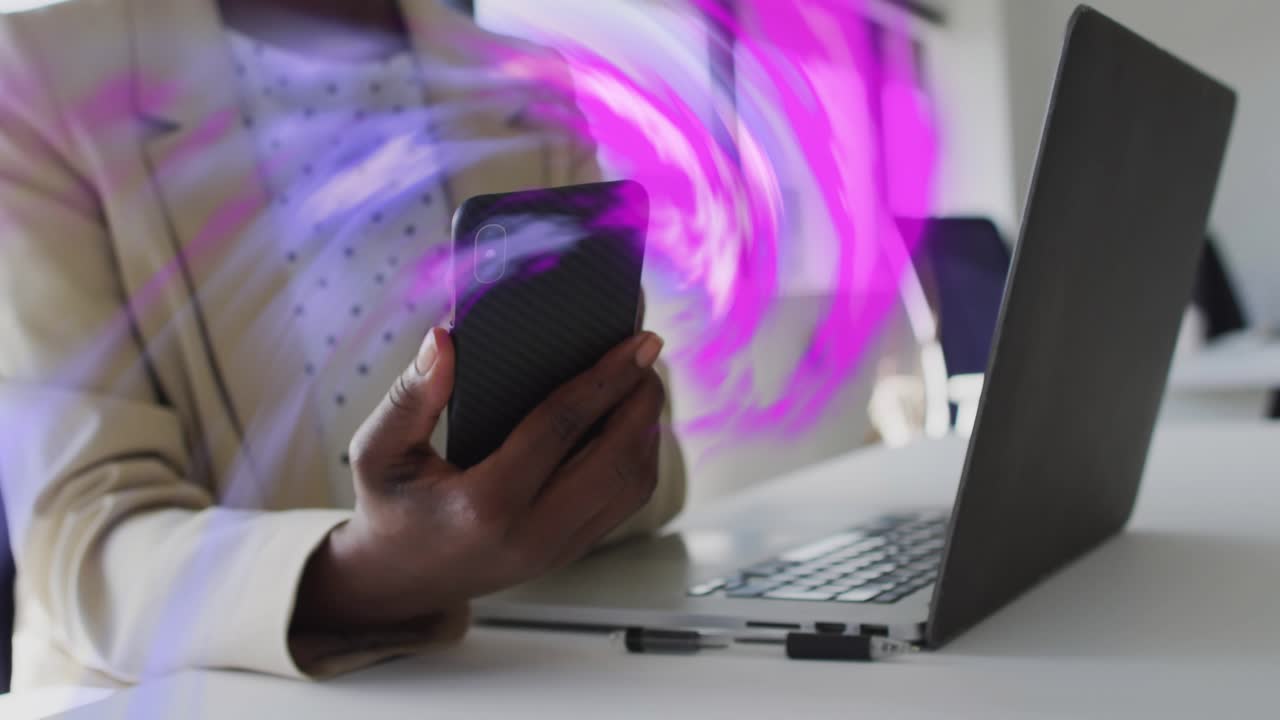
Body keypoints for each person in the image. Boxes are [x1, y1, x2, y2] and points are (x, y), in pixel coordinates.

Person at [0, 0, 687, 690]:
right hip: (175, 692)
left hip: (503, 672)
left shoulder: (523, 82)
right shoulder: (38, 73)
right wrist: (371, 570)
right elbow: (85, 548)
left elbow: (643, 470)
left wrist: (608, 449)